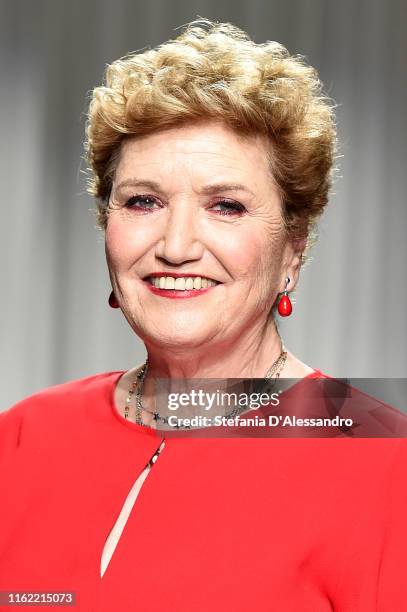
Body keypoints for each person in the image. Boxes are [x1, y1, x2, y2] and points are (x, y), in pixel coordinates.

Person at [0, 18, 406, 612]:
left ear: (293, 247)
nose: (176, 244)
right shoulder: (20, 439)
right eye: (144, 201)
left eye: (226, 206)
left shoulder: (387, 466)